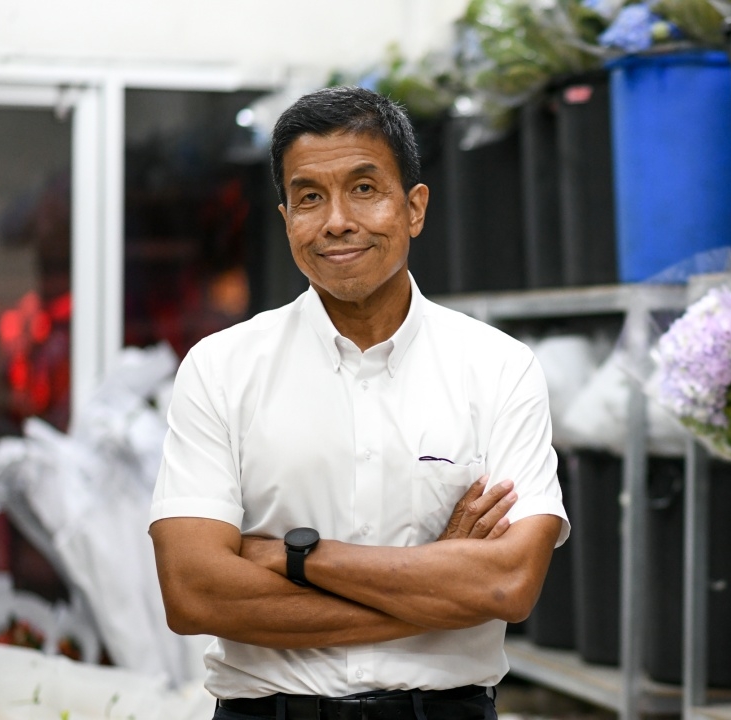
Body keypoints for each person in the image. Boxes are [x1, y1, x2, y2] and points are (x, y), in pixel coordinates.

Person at [148, 85, 569, 720]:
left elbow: (507, 584)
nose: (337, 220)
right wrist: (434, 581)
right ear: (286, 217)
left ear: (415, 208)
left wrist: (295, 556)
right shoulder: (221, 368)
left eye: (365, 188)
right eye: (310, 197)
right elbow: (194, 594)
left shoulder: (498, 368)